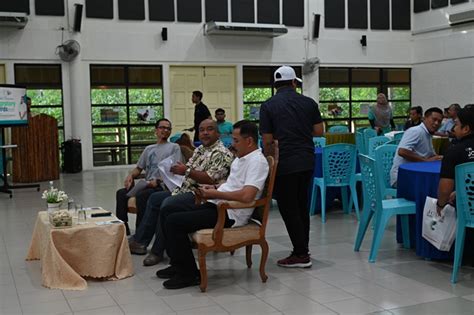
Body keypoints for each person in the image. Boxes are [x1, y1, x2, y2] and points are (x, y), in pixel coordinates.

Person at [156, 120, 269, 289]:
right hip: (219, 203)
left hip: (230, 213)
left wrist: (215, 193)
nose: (232, 144)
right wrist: (214, 187)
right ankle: (179, 265)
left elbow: (247, 196)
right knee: (168, 210)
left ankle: (189, 274)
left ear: (249, 141)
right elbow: (233, 185)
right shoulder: (241, 158)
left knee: (174, 222)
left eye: (236, 140)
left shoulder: (257, 162)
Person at [128, 119, 233, 266]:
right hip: (184, 188)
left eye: (209, 129)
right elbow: (186, 170)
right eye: (202, 130)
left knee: (167, 204)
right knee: (154, 198)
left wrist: (186, 171)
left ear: (218, 133)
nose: (205, 133)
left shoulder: (221, 153)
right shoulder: (200, 150)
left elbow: (210, 178)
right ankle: (141, 242)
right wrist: (177, 171)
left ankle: (158, 251)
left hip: (202, 194)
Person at [259, 66, 324, 268]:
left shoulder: (268, 105)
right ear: (294, 83)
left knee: (289, 208)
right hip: (306, 160)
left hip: (285, 162)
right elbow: (319, 131)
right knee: (301, 205)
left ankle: (301, 254)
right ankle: (303, 248)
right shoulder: (308, 103)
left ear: (276, 85)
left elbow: (268, 141)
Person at [115, 119, 181, 235]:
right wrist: (130, 175)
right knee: (121, 193)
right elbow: (139, 168)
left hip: (160, 185)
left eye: (168, 128)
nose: (165, 130)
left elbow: (175, 170)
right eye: (162, 127)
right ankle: (123, 228)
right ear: (156, 130)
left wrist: (158, 180)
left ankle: (140, 233)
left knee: (142, 196)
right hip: (146, 184)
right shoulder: (149, 149)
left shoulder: (174, 147)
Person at [390, 107, 444, 187]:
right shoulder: (416, 131)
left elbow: (431, 155)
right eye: (434, 119)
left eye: (439, 121)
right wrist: (425, 161)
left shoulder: (427, 134)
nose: (436, 123)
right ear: (424, 118)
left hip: (415, 175)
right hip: (402, 177)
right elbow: (402, 151)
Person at [437, 107, 474, 215]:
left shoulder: (455, 151)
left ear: (466, 129)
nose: (454, 129)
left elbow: (445, 189)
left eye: (456, 125)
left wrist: (440, 205)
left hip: (468, 212)